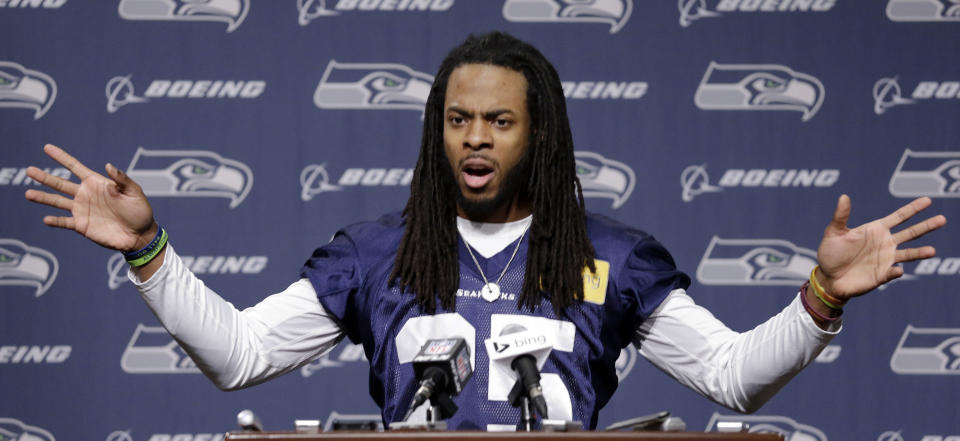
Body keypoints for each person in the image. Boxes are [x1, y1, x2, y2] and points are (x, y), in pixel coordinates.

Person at [23, 32, 945, 431]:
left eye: (499, 121)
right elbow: (238, 356)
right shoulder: (375, 255)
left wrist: (822, 296)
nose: (475, 137)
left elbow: (733, 378)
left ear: (535, 131)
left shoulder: (613, 258)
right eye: (459, 119)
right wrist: (150, 252)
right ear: (438, 129)